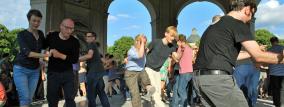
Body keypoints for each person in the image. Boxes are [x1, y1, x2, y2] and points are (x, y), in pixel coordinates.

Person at [193, 0, 284, 107]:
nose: (250, 20)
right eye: (252, 14)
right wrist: (280, 57)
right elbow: (258, 56)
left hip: (200, 79)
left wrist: (250, 53)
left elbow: (227, 56)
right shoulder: (237, 23)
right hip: (218, 81)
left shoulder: (215, 25)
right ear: (247, 10)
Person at [13, 9, 49, 107]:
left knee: (29, 98)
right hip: (21, 69)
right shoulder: (22, 35)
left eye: (38, 21)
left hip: (34, 70)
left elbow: (45, 46)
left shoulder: (40, 34)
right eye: (34, 20)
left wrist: (52, 35)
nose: (36, 23)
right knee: (24, 97)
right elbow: (28, 53)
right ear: (29, 20)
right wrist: (45, 56)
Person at [45, 18, 80, 107]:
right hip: (53, 73)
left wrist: (60, 55)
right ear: (61, 26)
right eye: (67, 28)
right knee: (52, 99)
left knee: (70, 98)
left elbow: (74, 59)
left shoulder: (75, 41)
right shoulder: (52, 36)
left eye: (71, 29)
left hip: (68, 73)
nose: (69, 31)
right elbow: (42, 46)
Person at [145, 26, 179, 107]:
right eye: (171, 35)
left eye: (174, 36)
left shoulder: (172, 47)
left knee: (158, 92)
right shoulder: (155, 42)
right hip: (148, 68)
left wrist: (179, 51)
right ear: (166, 33)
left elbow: (176, 57)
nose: (173, 38)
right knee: (155, 93)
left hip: (157, 71)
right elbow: (145, 52)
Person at [79, 32, 110, 107]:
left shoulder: (91, 44)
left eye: (89, 36)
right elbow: (104, 61)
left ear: (94, 38)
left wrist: (76, 59)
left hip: (93, 73)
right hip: (99, 72)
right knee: (101, 93)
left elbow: (89, 55)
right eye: (86, 36)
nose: (87, 38)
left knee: (90, 95)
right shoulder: (95, 48)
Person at [124, 34, 155, 107]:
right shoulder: (131, 51)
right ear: (136, 41)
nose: (144, 44)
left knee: (144, 74)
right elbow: (140, 55)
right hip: (130, 74)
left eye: (145, 42)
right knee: (135, 94)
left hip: (141, 71)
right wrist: (142, 43)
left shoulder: (144, 50)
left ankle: (148, 88)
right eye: (142, 42)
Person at [171, 34, 194, 107]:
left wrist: (173, 56)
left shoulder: (181, 47)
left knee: (180, 90)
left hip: (184, 71)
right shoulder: (189, 48)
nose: (177, 43)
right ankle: (185, 104)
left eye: (177, 41)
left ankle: (184, 105)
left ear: (180, 41)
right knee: (184, 90)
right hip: (190, 71)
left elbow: (177, 58)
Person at [267, 37, 284, 107]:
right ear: (277, 41)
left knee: (275, 89)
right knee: (282, 89)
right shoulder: (283, 48)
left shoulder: (269, 50)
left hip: (273, 72)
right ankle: (282, 103)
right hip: (283, 72)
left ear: (271, 42)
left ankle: (277, 104)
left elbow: (267, 61)